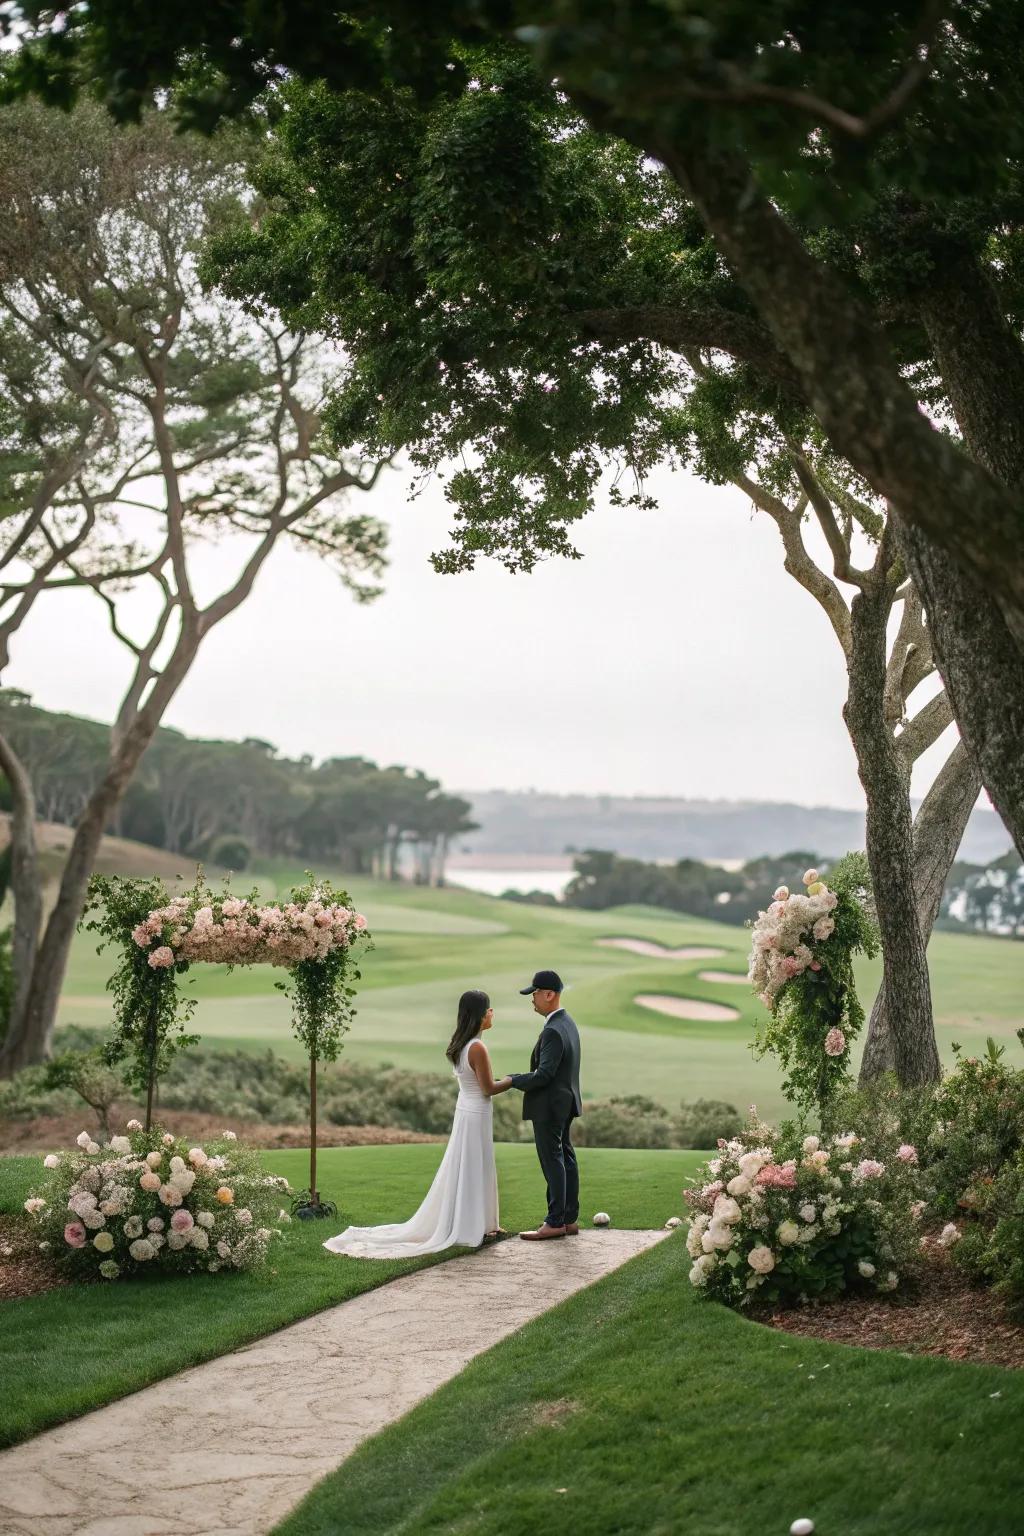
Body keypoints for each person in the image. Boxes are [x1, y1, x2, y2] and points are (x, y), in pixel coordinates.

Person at [323, 989, 512, 1258]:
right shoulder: (477, 1047)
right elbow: (488, 1088)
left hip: (466, 1112)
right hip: (476, 1112)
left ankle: (484, 1224)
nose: (493, 1013)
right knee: (476, 1165)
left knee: (470, 1165)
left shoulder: (461, 1044)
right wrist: (515, 1080)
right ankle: (477, 1226)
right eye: (490, 1009)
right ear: (482, 1015)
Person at [507, 970, 583, 1242]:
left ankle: (554, 1222)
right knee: (566, 1157)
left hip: (550, 1105)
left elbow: (544, 1075)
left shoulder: (552, 1030)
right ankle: (569, 1219)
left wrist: (512, 1080)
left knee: (552, 1161)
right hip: (566, 1102)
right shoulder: (568, 1022)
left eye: (535, 993)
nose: (533, 999)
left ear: (549, 994)